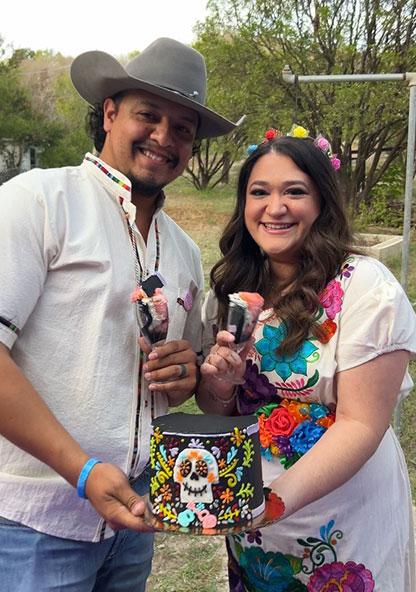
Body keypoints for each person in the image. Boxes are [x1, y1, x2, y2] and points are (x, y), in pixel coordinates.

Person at [0, 37, 240, 591]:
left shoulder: (180, 251)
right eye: (148, 115)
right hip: (33, 524)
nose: (164, 137)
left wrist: (181, 377)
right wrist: (82, 473)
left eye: (183, 128)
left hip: (134, 521)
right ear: (109, 113)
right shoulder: (39, 202)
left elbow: (166, 388)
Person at [197, 131, 416, 591]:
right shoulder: (233, 289)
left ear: (321, 202)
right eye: (259, 192)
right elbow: (217, 410)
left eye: (294, 191)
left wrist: (269, 502)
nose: (274, 207)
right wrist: (222, 383)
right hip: (254, 529)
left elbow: (360, 424)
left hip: (344, 526)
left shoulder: (365, 289)